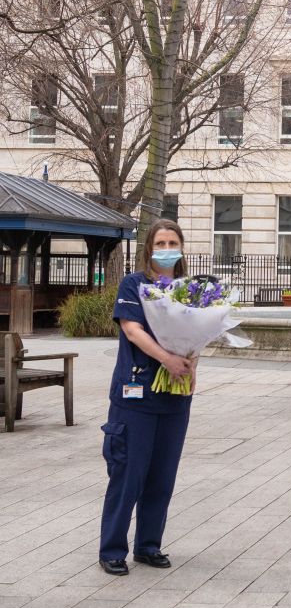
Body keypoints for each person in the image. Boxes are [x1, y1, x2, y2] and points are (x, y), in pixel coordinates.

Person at [99, 219, 197, 576]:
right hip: (135, 395)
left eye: (173, 241)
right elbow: (133, 330)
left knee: (161, 475)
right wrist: (167, 359)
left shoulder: (187, 288)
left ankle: (148, 545)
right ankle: (112, 549)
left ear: (181, 247)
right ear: (149, 249)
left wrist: (189, 368)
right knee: (128, 475)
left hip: (173, 400)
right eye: (161, 242)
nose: (167, 248)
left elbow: (193, 337)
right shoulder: (134, 284)